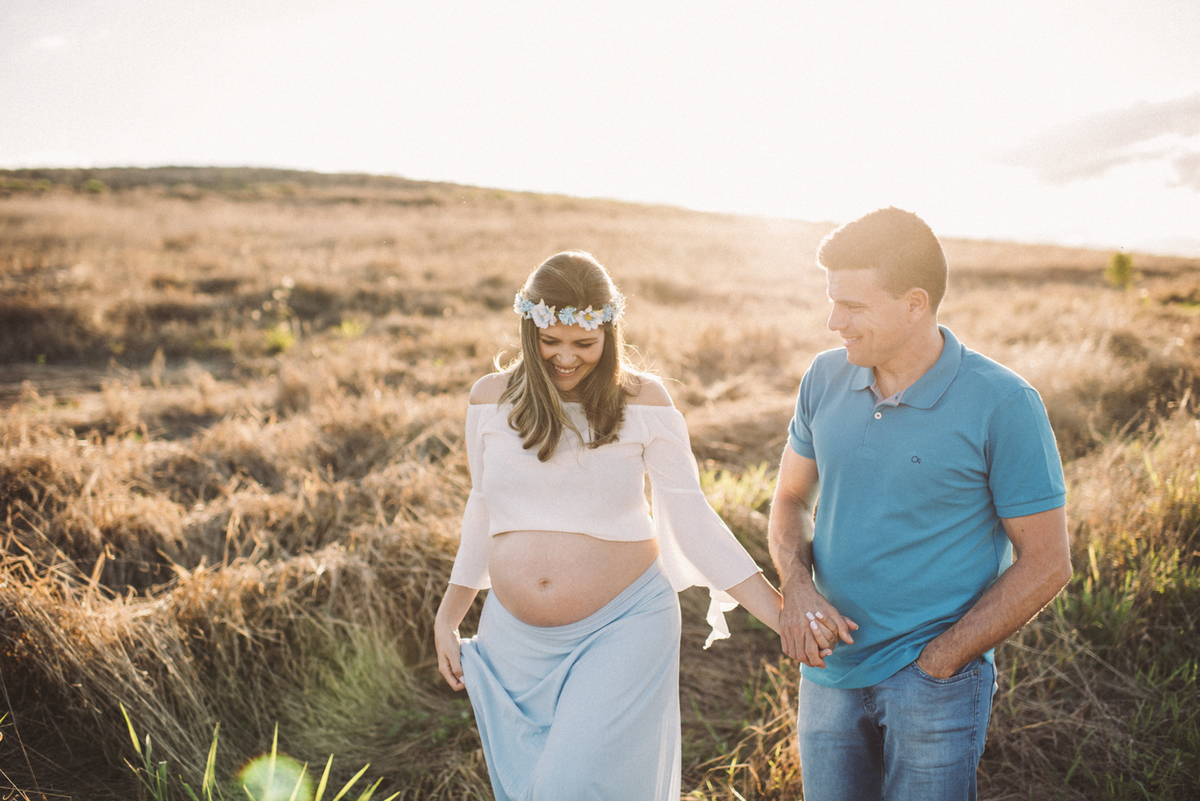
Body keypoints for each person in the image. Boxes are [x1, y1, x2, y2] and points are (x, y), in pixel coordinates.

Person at [433, 250, 784, 801]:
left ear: (609, 332)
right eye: (550, 341)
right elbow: (483, 510)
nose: (565, 358)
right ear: (529, 329)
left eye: (584, 344)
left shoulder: (644, 401)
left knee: (568, 788)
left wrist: (784, 618)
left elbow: (692, 516)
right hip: (515, 641)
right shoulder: (489, 398)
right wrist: (448, 616)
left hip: (624, 624)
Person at [768, 207, 1072, 801]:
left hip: (935, 684)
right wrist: (797, 589)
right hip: (829, 671)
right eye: (832, 302)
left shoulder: (1004, 402)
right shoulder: (823, 378)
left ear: (914, 303)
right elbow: (790, 497)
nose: (834, 322)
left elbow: (1047, 562)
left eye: (853, 306)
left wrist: (940, 661)